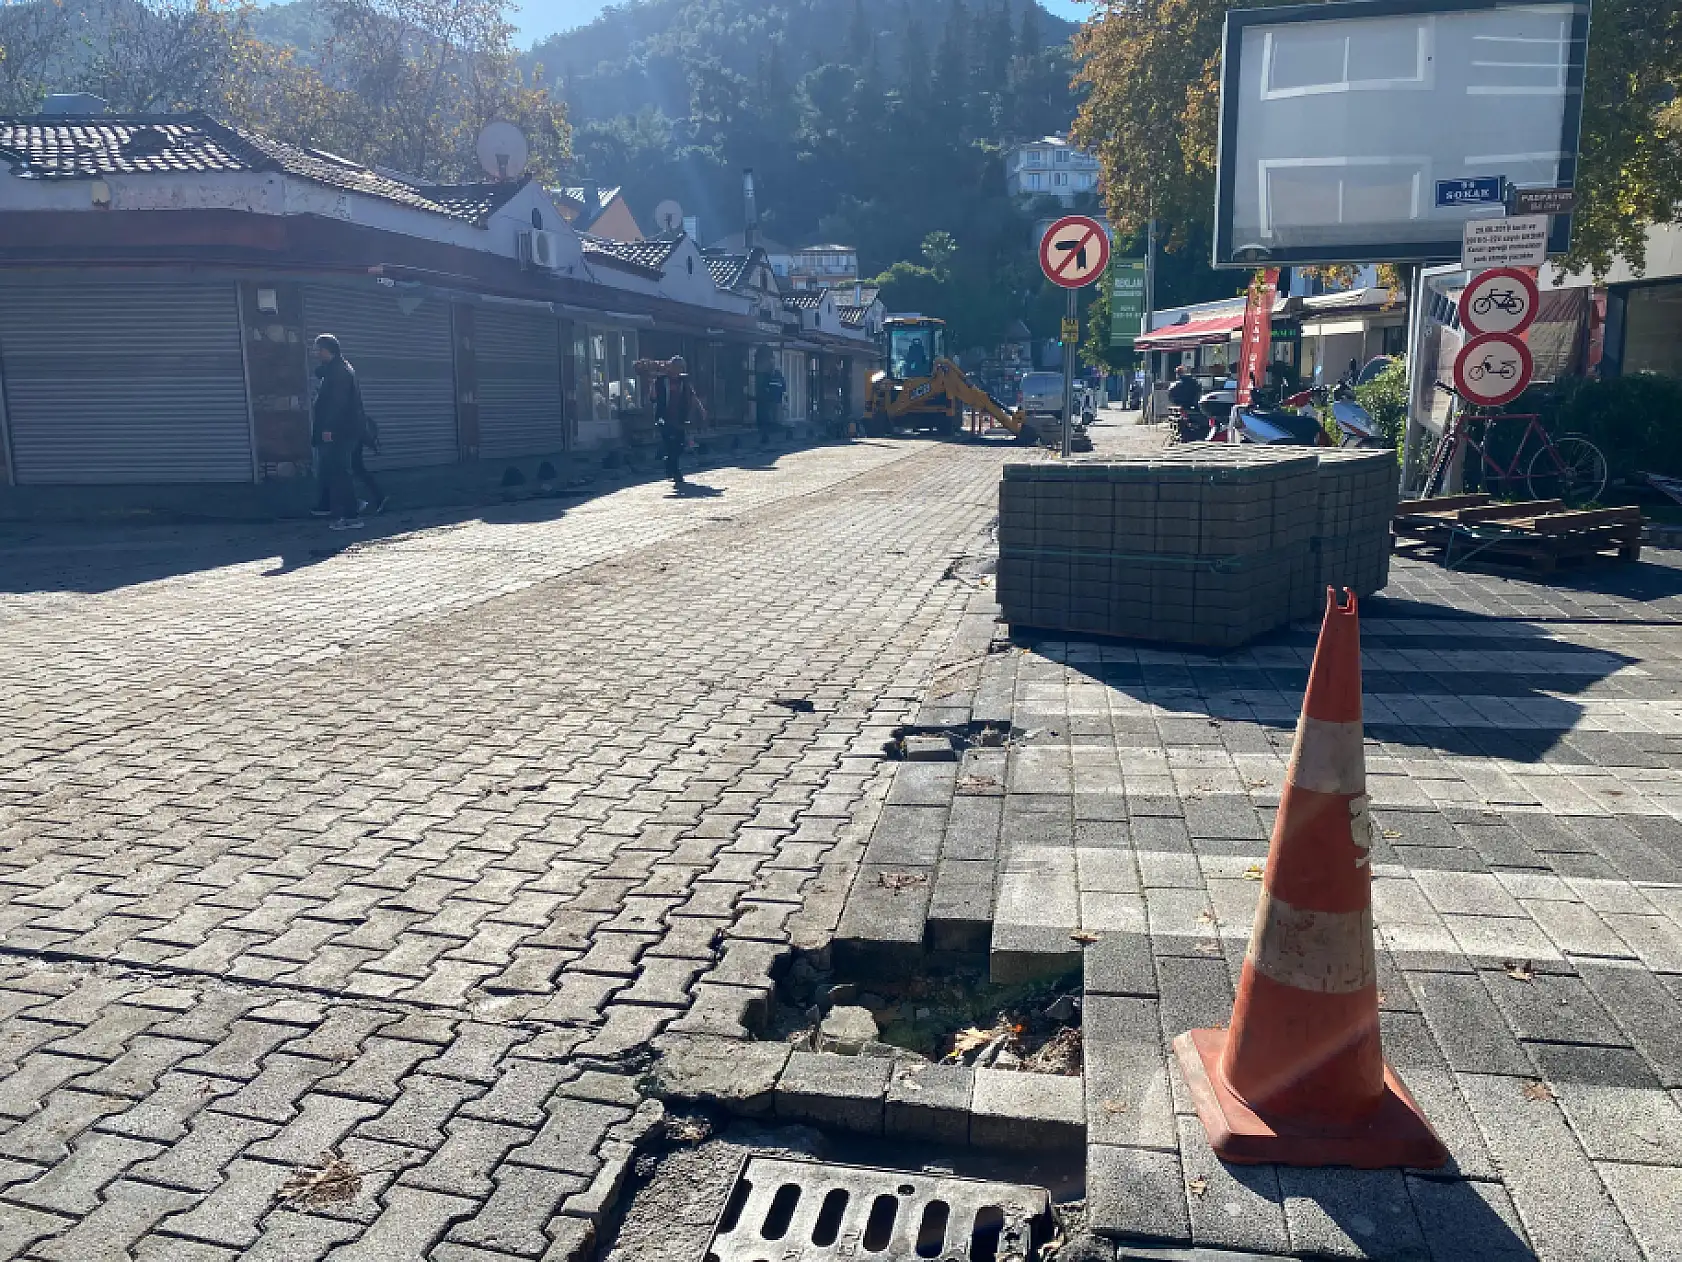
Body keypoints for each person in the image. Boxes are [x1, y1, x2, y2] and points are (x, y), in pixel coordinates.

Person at [311, 334, 366, 530]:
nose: (316, 353)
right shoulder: (337, 369)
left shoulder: (340, 372)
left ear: (328, 350)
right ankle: (339, 509)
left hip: (339, 431)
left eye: (319, 349)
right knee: (335, 471)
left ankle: (349, 516)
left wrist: (328, 429)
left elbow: (337, 404)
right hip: (342, 430)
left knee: (339, 473)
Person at [651, 357, 705, 489]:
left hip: (680, 418)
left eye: (681, 368)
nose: (678, 370)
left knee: (679, 446)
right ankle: (675, 472)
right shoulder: (661, 380)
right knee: (670, 444)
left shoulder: (684, 381)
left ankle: (670, 465)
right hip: (664, 417)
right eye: (676, 367)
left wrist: (701, 409)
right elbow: (653, 398)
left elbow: (692, 396)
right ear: (671, 367)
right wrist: (652, 385)